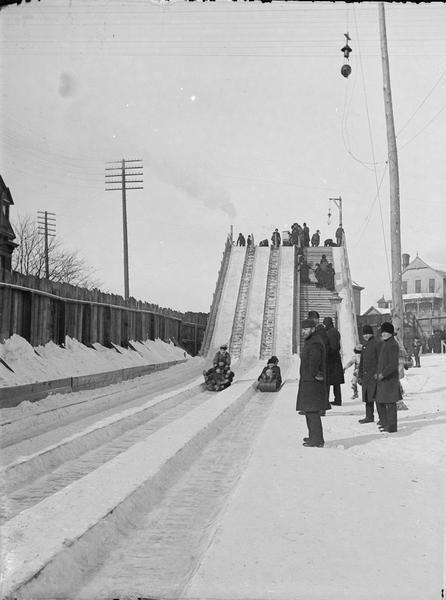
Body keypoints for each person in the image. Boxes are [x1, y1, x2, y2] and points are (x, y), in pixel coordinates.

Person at [296, 319, 327, 447]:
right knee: (309, 411)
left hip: (312, 382)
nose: (303, 332)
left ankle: (317, 440)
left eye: (306, 329)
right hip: (309, 380)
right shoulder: (311, 341)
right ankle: (313, 436)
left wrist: (313, 374)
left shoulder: (315, 343)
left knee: (312, 411)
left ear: (313, 329)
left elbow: (315, 361)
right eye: (302, 329)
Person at [375, 322, 400, 433]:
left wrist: (383, 374)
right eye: (383, 332)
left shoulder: (393, 345)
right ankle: (386, 423)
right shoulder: (385, 343)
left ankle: (392, 427)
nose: (384, 334)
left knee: (390, 403)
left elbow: (393, 364)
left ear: (391, 333)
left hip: (389, 379)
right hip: (383, 378)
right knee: (380, 401)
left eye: (387, 332)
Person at [357, 325, 383, 424]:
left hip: (374, 375)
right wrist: (360, 375)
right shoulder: (364, 345)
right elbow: (362, 362)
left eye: (367, 333)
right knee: (368, 398)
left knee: (377, 398)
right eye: (364, 334)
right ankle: (369, 416)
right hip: (366, 376)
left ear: (372, 333)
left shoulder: (377, 344)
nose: (366, 336)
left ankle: (382, 418)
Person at [308, 310, 331, 415]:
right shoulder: (312, 331)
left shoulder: (321, 331)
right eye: (310, 319)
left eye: (314, 319)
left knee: (322, 385)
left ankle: (322, 408)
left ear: (317, 320)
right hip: (314, 361)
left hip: (321, 362)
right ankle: (315, 407)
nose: (312, 320)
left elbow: (324, 346)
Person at [323, 316, 344, 406]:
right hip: (336, 359)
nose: (324, 326)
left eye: (325, 324)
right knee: (336, 382)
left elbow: (333, 346)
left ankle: (325, 401)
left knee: (327, 381)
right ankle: (338, 400)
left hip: (331, 359)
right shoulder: (335, 331)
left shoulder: (329, 333)